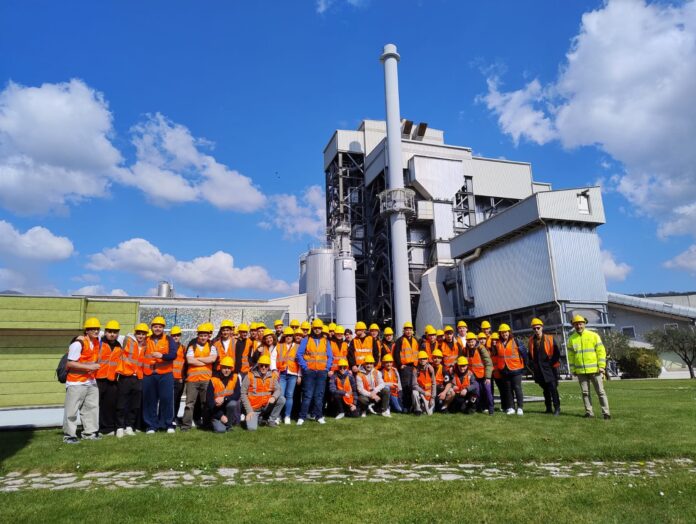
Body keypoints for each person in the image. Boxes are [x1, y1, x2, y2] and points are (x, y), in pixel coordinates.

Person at [63, 317, 102, 443]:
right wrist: (90, 367)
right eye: (92, 329)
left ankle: (90, 433)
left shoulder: (96, 342)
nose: (96, 331)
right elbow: (70, 364)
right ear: (87, 330)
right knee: (72, 410)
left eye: (97, 329)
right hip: (76, 382)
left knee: (91, 408)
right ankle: (69, 435)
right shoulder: (78, 343)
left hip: (90, 381)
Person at [568, 315, 610, 419]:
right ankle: (589, 412)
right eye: (576, 324)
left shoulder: (594, 336)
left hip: (595, 370)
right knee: (585, 393)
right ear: (573, 325)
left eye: (580, 324)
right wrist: (573, 369)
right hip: (580, 371)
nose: (578, 326)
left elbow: (601, 351)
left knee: (600, 392)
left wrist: (601, 366)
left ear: (584, 324)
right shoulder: (571, 339)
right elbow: (571, 356)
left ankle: (606, 413)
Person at [142, 316, 179, 434]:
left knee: (166, 399)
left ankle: (168, 424)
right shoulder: (146, 339)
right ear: (151, 327)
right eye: (155, 326)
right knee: (150, 401)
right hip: (149, 374)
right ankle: (151, 426)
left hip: (165, 374)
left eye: (160, 327)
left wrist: (162, 356)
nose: (157, 328)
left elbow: (173, 355)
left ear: (163, 328)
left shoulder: (169, 339)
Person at [111, 323, 147, 438]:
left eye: (143, 334)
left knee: (134, 404)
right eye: (139, 333)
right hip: (125, 377)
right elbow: (108, 334)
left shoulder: (146, 345)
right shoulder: (127, 340)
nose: (141, 336)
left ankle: (129, 426)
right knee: (121, 403)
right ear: (135, 333)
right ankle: (119, 427)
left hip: (138, 378)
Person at [181, 323, 217, 431]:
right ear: (198, 335)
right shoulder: (192, 347)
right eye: (201, 335)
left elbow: (213, 359)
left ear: (208, 336)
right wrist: (205, 361)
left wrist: (197, 359)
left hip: (206, 379)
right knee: (189, 404)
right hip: (192, 380)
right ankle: (186, 425)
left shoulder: (212, 347)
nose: (203, 337)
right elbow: (190, 360)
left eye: (205, 335)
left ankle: (206, 424)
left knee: (205, 403)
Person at [296, 319, 333, 425]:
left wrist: (326, 368)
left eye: (319, 328)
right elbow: (299, 354)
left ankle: (319, 416)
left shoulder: (326, 341)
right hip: (309, 371)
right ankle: (302, 417)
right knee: (307, 395)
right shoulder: (306, 339)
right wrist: (305, 367)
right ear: (312, 329)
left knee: (319, 396)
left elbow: (330, 356)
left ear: (321, 329)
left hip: (322, 372)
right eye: (315, 328)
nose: (317, 330)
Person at [241, 354, 285, 430]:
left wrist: (274, 397)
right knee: (252, 428)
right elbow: (243, 393)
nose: (264, 367)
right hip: (253, 409)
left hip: (266, 407)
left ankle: (271, 421)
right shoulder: (249, 376)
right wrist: (249, 410)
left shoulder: (273, 376)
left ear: (269, 367)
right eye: (261, 365)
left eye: (266, 366)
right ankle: (257, 418)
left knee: (282, 399)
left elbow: (278, 389)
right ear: (258, 365)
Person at [528, 318, 561, 416]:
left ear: (542, 327)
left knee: (553, 388)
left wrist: (550, 364)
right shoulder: (531, 340)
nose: (536, 330)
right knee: (545, 390)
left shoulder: (549, 338)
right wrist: (532, 365)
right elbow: (530, 354)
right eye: (534, 328)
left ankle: (557, 408)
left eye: (538, 328)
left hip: (549, 368)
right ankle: (548, 408)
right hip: (539, 369)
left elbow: (556, 353)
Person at [494, 324, 528, 416]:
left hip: (516, 369)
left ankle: (520, 407)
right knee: (508, 390)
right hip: (504, 370)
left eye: (506, 332)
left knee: (517, 388)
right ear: (500, 333)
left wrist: (524, 366)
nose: (504, 334)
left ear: (509, 332)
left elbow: (524, 354)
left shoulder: (516, 341)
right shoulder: (498, 344)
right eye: (502, 332)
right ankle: (511, 407)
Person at [95, 320, 121, 436]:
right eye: (110, 332)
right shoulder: (99, 343)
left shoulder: (119, 346)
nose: (112, 334)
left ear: (118, 333)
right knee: (96, 405)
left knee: (110, 405)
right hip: (98, 378)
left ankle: (108, 428)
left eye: (115, 332)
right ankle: (96, 428)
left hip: (112, 380)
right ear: (105, 332)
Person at [207, 356, 241, 433]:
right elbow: (209, 402)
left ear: (232, 369)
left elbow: (237, 394)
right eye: (224, 368)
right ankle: (215, 421)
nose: (226, 370)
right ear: (220, 367)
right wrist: (220, 416)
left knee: (233, 403)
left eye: (229, 368)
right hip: (216, 410)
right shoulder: (213, 380)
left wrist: (224, 398)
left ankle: (229, 425)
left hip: (227, 408)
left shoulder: (235, 378)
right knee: (220, 430)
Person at [465, 332, 494, 415]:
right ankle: (481, 407)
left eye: (472, 341)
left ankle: (491, 409)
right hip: (474, 376)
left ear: (475, 340)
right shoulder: (466, 350)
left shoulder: (481, 348)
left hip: (484, 375)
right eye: (469, 341)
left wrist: (488, 377)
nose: (471, 343)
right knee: (477, 392)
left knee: (488, 391)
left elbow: (488, 363)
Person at [393, 322, 419, 413]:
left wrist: (416, 365)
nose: (408, 331)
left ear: (412, 331)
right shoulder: (400, 340)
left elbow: (417, 353)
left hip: (414, 366)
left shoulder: (415, 340)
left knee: (413, 386)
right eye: (407, 330)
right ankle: (406, 407)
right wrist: (400, 365)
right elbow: (396, 354)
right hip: (405, 367)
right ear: (404, 330)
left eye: (410, 330)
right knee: (406, 387)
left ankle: (412, 406)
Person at [277, 327, 300, 424]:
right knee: (281, 395)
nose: (288, 337)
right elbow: (273, 358)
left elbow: (300, 362)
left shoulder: (297, 347)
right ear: (284, 336)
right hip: (281, 374)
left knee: (289, 395)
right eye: (287, 336)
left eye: (290, 336)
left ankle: (287, 416)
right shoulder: (279, 346)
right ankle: (278, 416)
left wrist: (299, 376)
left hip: (293, 374)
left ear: (293, 337)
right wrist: (274, 370)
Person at [170, 326, 186, 425]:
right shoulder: (167, 347)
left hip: (179, 379)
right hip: (169, 378)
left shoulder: (183, 348)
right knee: (169, 399)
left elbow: (185, 364)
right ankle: (169, 418)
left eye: (178, 335)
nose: (176, 337)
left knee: (177, 399)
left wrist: (183, 377)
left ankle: (174, 417)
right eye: (174, 335)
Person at [412, 351, 436, 416]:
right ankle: (417, 410)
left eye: (424, 358)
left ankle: (422, 406)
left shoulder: (430, 369)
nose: (422, 360)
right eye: (421, 359)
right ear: (418, 360)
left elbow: (434, 384)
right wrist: (424, 392)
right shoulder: (415, 370)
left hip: (429, 393)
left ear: (427, 359)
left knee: (429, 414)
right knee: (414, 392)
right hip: (421, 391)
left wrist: (432, 398)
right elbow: (414, 385)